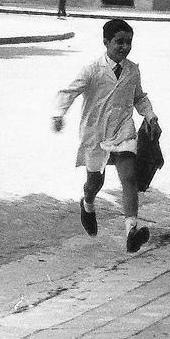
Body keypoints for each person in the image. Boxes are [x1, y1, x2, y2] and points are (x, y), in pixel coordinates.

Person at [51, 18, 161, 253]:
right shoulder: (93, 69)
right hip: (95, 132)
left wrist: (150, 115)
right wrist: (58, 114)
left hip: (123, 130)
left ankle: (132, 230)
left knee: (129, 177)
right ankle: (88, 203)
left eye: (129, 42)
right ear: (106, 42)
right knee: (95, 183)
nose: (125, 47)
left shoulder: (132, 70)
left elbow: (139, 97)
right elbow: (69, 91)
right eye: (119, 42)